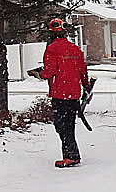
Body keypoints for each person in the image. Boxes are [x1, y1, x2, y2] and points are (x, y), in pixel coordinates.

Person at [37, 18, 89, 168]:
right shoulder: (75, 49)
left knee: (61, 125)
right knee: (69, 124)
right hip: (74, 93)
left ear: (51, 33)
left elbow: (50, 70)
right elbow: (83, 70)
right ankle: (72, 154)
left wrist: (39, 74)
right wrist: (85, 85)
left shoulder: (52, 49)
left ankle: (70, 156)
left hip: (60, 93)